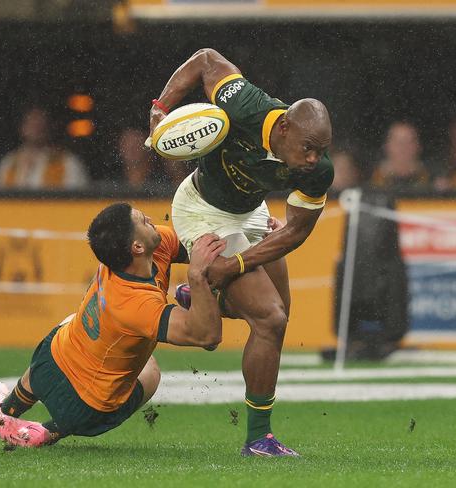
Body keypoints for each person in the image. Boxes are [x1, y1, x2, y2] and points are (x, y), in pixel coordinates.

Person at [149, 48, 333, 457]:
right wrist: (160, 110)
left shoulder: (319, 171)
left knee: (278, 317)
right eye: (308, 149)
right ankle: (258, 439)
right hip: (202, 210)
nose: (313, 160)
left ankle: (204, 295)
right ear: (283, 128)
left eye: (321, 150)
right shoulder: (246, 103)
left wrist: (236, 264)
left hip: (251, 213)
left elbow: (297, 231)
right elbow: (204, 59)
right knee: (270, 318)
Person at [0, 202, 225, 447]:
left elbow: (198, 252)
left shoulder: (135, 251)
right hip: (87, 410)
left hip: (49, 365)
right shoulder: (135, 304)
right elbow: (208, 336)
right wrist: (196, 278)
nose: (151, 220)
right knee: (150, 371)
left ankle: (6, 410)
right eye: (143, 221)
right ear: (137, 247)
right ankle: (48, 432)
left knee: (70, 322)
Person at [0, 107, 90, 189]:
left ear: (48, 126)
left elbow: (77, 201)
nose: (36, 127)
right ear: (22, 127)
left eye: (40, 122)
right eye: (31, 122)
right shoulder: (9, 163)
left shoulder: (68, 163)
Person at [370, 121, 429, 189]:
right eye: (397, 141)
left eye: (409, 141)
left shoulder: (432, 178)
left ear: (419, 146)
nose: (403, 147)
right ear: (386, 145)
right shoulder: (369, 177)